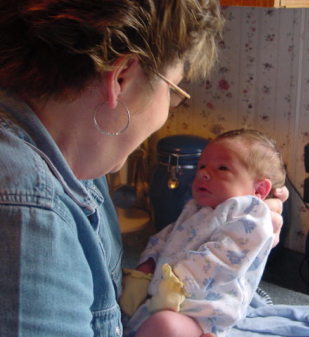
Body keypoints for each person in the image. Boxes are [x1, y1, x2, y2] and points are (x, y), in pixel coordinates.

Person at [0, 2, 289, 337]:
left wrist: (244, 232)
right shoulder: (29, 211)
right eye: (175, 89)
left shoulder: (79, 171)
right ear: (121, 76)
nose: (170, 107)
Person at [121, 129, 287, 337]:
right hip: (165, 292)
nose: (203, 173)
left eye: (222, 168)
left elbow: (225, 257)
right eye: (202, 165)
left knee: (166, 326)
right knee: (126, 304)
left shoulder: (252, 215)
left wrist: (178, 283)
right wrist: (146, 267)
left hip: (203, 310)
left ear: (259, 190)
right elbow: (168, 236)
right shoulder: (196, 208)